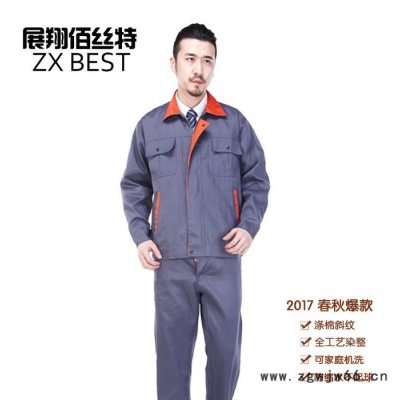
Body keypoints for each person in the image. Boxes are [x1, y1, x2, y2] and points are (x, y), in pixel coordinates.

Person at [121, 23, 270, 400]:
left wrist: (248, 226)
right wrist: (140, 236)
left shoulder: (234, 123)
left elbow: (256, 180)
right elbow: (135, 185)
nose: (198, 69)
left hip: (223, 256)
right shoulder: (150, 126)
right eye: (190, 59)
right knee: (171, 359)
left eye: (207, 60)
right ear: (173, 63)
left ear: (214, 66)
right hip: (170, 260)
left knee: (225, 353)